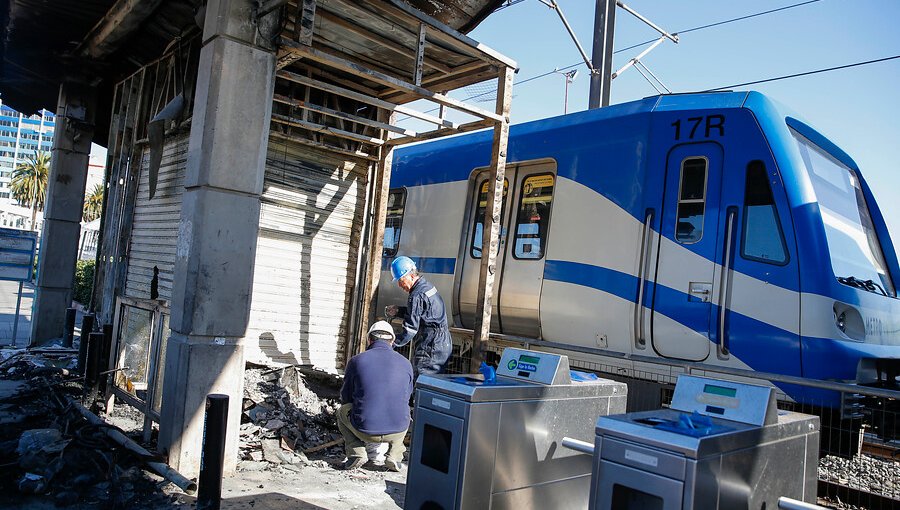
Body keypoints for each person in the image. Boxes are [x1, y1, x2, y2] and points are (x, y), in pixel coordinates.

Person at [337, 321, 413, 471]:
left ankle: (356, 453)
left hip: (365, 430)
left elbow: (345, 397)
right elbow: (407, 397)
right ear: (392, 341)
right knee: (405, 412)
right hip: (397, 429)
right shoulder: (406, 363)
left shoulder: (356, 361)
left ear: (369, 340)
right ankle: (395, 456)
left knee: (341, 412)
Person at [388, 256, 452, 381]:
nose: (400, 285)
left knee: (421, 383)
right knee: (433, 387)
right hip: (443, 343)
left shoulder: (416, 295)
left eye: (401, 281)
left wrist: (392, 344)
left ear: (411, 276)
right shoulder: (426, 286)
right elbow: (423, 313)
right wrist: (399, 311)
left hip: (431, 346)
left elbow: (410, 329)